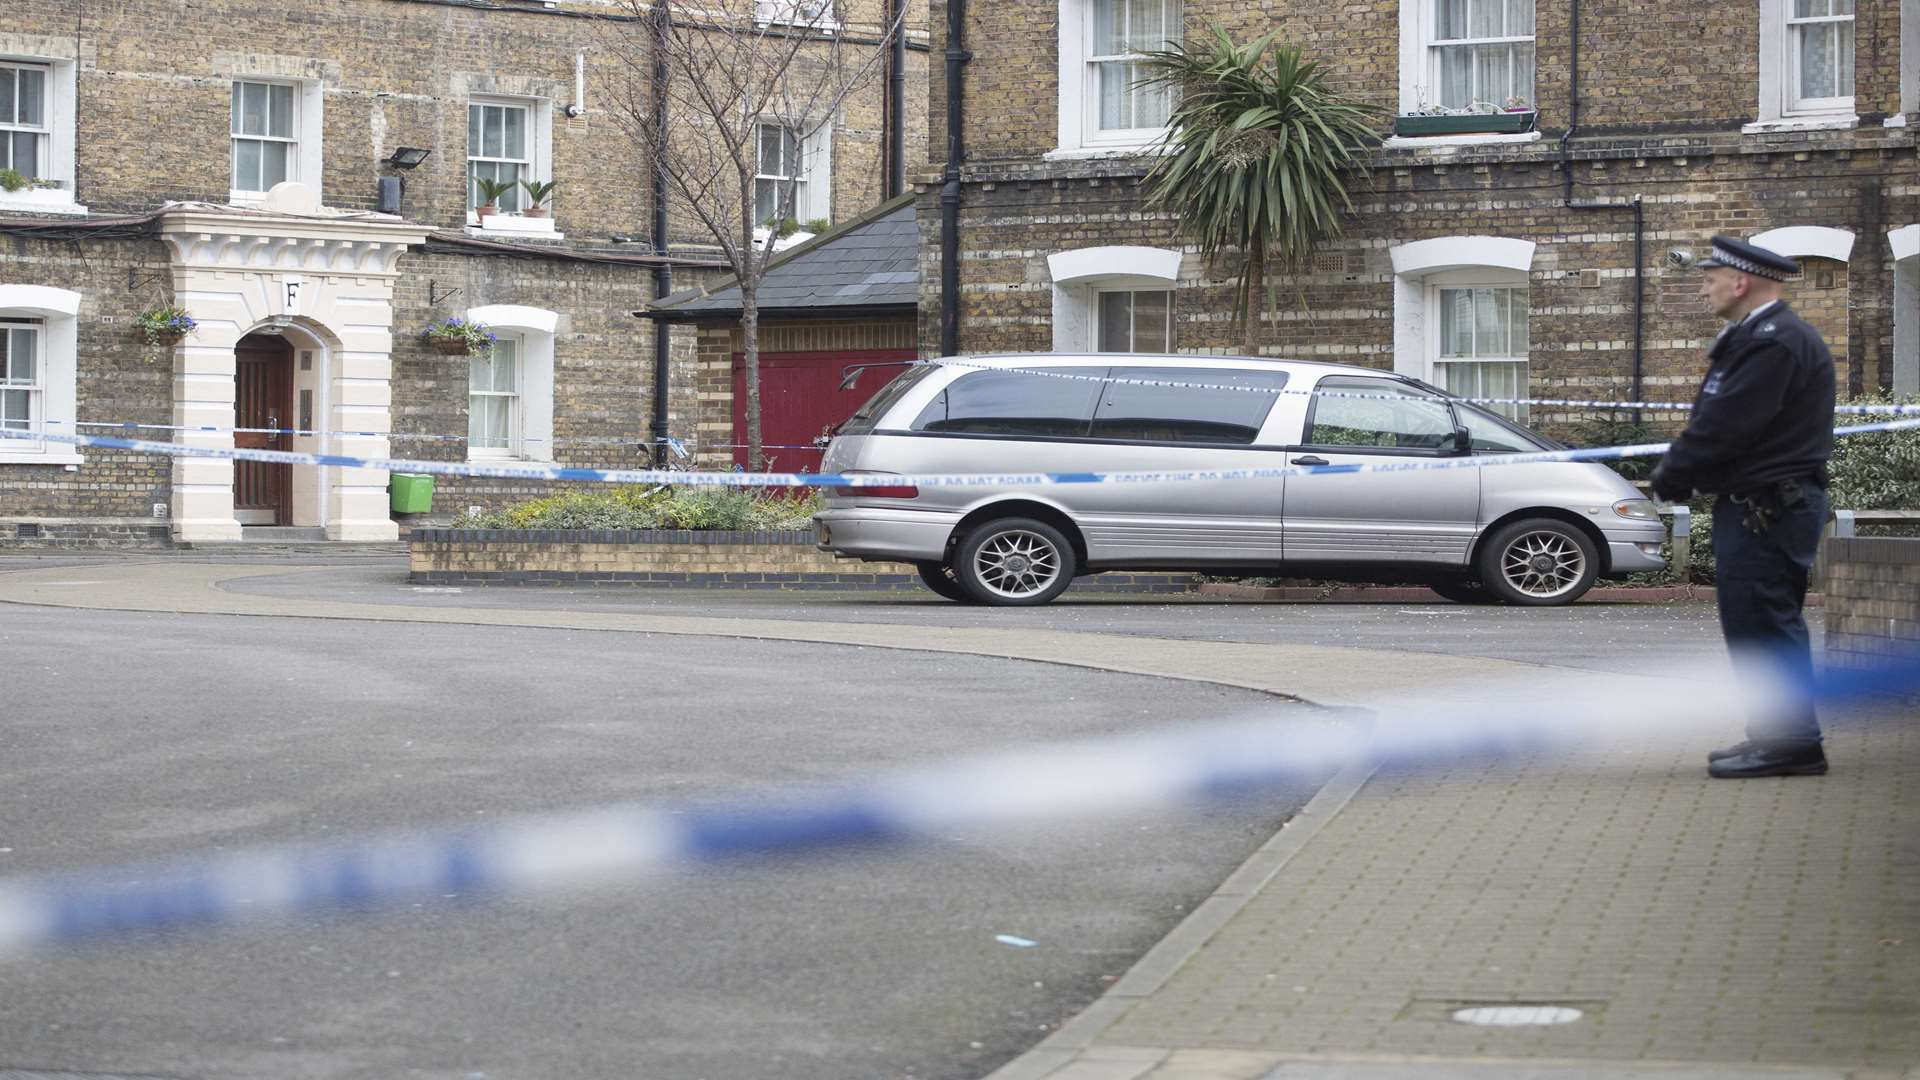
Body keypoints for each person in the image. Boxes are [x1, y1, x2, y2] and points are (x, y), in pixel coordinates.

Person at [1650, 235, 1835, 779]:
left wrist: (1674, 474)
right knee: (1753, 623)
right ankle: (1774, 736)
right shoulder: (1758, 336)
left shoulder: (1774, 342)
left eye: (1710, 278)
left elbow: (1727, 424)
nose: (1704, 288)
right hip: (1762, 504)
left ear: (1741, 282)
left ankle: (1793, 744)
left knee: (1766, 623)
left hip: (1770, 507)